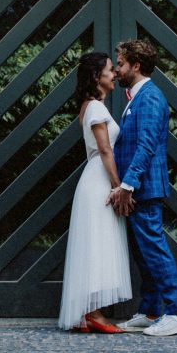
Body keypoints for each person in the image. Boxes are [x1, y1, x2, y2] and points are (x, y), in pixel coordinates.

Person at [108, 39, 177, 336]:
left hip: (144, 187)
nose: (117, 69)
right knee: (143, 253)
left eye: (120, 63)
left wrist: (128, 185)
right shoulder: (137, 98)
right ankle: (152, 310)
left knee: (154, 250)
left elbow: (146, 145)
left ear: (136, 65)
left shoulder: (151, 97)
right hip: (136, 188)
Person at [57, 52, 132, 333]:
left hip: (95, 179)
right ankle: (94, 314)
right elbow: (104, 150)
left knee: (98, 245)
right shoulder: (96, 109)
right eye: (110, 70)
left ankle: (91, 313)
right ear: (96, 77)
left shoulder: (91, 107)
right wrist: (117, 187)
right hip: (98, 182)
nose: (114, 74)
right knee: (97, 245)